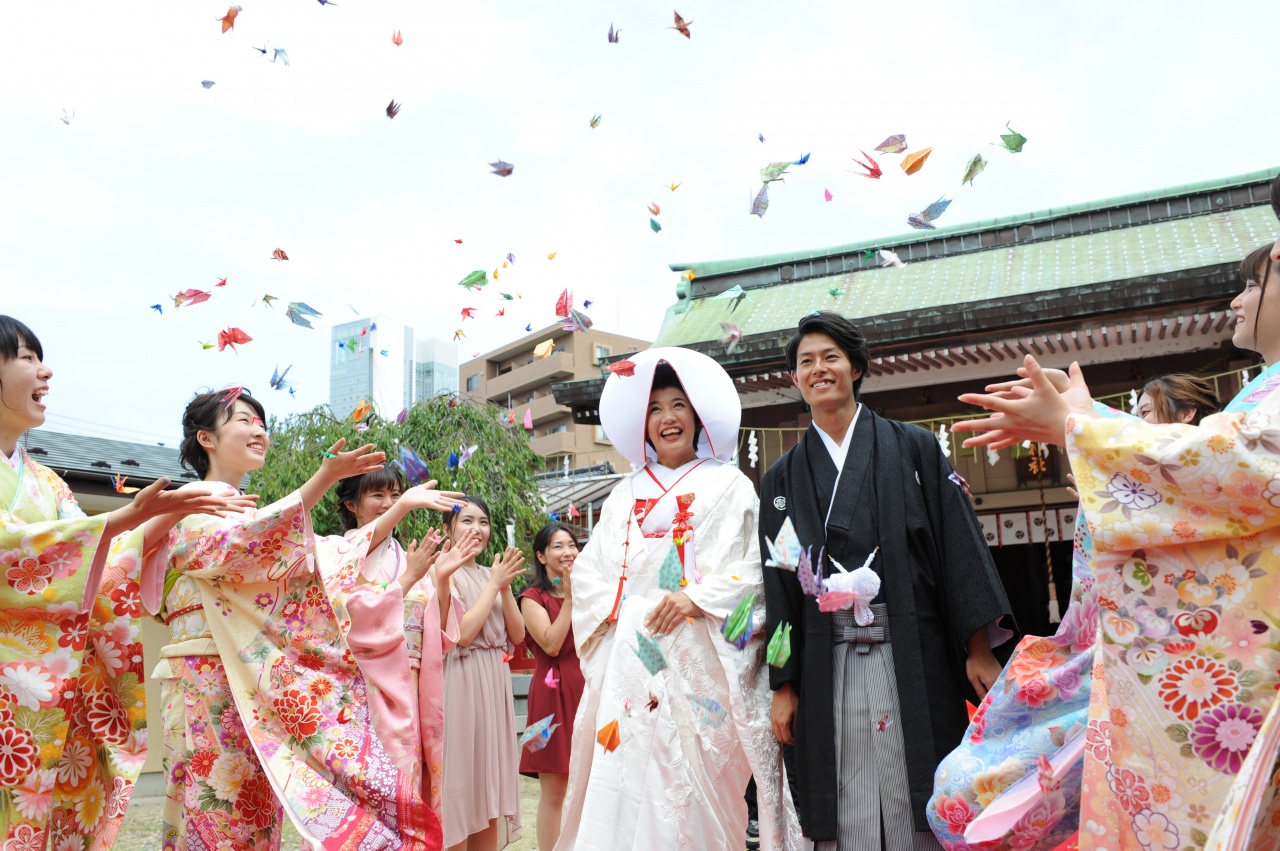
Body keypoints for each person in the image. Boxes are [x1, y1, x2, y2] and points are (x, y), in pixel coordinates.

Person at [950, 240, 1280, 850]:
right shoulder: (1262, 393)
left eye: (1253, 284)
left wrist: (1079, 427)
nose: (1238, 300)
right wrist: (1086, 417)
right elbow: (1207, 458)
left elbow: (1225, 461)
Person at [928, 373, 1222, 850]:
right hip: (1124, 655)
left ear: (1187, 414)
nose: (1136, 423)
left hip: (1174, 664)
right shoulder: (1142, 475)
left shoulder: (1200, 472)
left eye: (1144, 414)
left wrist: (1084, 427)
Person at [760, 311, 1013, 850]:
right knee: (842, 791)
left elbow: (956, 546)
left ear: (856, 368)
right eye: (806, 362)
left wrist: (977, 646)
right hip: (825, 660)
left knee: (918, 785)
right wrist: (783, 683)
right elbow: (780, 584)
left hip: (912, 653)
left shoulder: (914, 449)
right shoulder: (781, 479)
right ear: (796, 379)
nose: (818, 369)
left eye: (831, 357)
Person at [0, 317, 253, 850]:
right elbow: (16, 550)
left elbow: (106, 562)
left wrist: (160, 513)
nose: (44, 371)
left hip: (60, 688)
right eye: (25, 357)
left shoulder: (45, 480)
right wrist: (125, 518)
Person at [144, 389, 435, 850]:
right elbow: (243, 546)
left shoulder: (242, 506)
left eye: (262, 421)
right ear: (207, 438)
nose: (259, 429)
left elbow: (322, 560)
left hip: (247, 678)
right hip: (207, 675)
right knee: (213, 808)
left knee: (257, 808)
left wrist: (398, 509)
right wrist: (322, 478)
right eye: (244, 419)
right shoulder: (195, 501)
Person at [556, 347, 801, 851]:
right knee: (623, 777)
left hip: (702, 660)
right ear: (643, 424)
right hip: (633, 653)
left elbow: (758, 569)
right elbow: (589, 576)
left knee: (694, 788)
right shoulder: (623, 494)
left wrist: (697, 599)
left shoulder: (731, 486)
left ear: (697, 416)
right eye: (654, 408)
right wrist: (630, 611)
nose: (667, 418)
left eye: (678, 406)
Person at [324, 467, 476, 818]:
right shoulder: (336, 554)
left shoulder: (409, 557)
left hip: (411, 688)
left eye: (395, 495)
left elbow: (438, 635)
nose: (389, 503)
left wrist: (440, 581)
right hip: (361, 689)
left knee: (403, 788)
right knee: (361, 791)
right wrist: (408, 579)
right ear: (351, 505)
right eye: (378, 495)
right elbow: (346, 620)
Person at [439, 496, 526, 851]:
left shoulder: (494, 574)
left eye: (484, 522)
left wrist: (502, 584)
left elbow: (518, 636)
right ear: (449, 529)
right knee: (461, 781)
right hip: (461, 679)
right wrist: (494, 586)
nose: (477, 529)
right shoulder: (442, 570)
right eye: (466, 521)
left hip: (494, 680)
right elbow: (462, 634)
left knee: (490, 785)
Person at [518, 522, 585, 851]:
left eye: (572, 544)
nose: (568, 552)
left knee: (585, 786)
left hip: (586, 692)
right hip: (549, 697)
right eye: (558, 546)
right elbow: (552, 644)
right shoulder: (532, 598)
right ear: (541, 556)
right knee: (554, 790)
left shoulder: (590, 592)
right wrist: (570, 599)